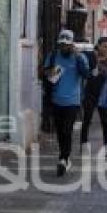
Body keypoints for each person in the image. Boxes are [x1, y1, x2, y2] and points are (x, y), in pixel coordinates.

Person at [44, 29, 90, 176]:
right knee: (59, 131)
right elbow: (45, 74)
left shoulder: (79, 58)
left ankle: (64, 158)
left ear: (72, 44)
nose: (64, 47)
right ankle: (65, 156)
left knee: (67, 129)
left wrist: (78, 57)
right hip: (56, 100)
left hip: (72, 101)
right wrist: (49, 73)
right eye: (62, 45)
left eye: (67, 45)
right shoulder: (52, 56)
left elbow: (86, 74)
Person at [80, 37, 107, 150]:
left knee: (105, 122)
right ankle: (83, 144)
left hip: (103, 96)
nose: (106, 49)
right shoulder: (90, 57)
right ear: (98, 46)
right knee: (87, 120)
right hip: (90, 94)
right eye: (104, 46)